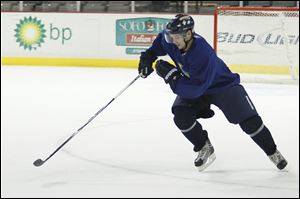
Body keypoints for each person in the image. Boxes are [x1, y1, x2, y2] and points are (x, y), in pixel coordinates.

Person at [138, 14, 288, 171]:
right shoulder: (171, 40)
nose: (173, 41)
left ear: (188, 34)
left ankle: (273, 152)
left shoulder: (202, 53)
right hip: (195, 84)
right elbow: (159, 45)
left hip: (222, 86)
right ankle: (204, 146)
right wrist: (147, 58)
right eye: (171, 37)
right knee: (181, 116)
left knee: (250, 122)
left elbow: (195, 90)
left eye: (176, 38)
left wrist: (171, 76)